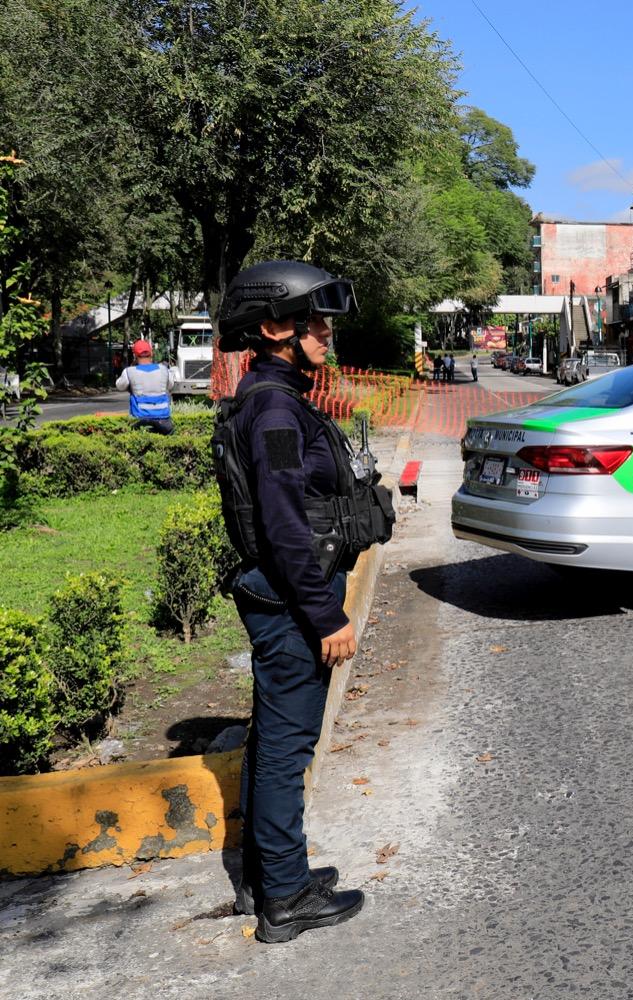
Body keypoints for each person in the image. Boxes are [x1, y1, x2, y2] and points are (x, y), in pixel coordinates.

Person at [215, 260, 380, 943]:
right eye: (313, 321)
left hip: (284, 594)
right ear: (272, 327)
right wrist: (326, 613)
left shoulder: (270, 394)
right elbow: (284, 524)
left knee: (273, 741)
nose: (325, 333)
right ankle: (284, 898)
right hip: (291, 602)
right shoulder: (276, 407)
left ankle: (272, 873)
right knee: (287, 747)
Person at [115, 339, 176, 434]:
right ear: (151, 354)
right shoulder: (164, 370)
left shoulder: (129, 372)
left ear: (135, 356)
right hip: (163, 419)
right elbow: (171, 385)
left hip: (140, 419)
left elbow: (120, 386)